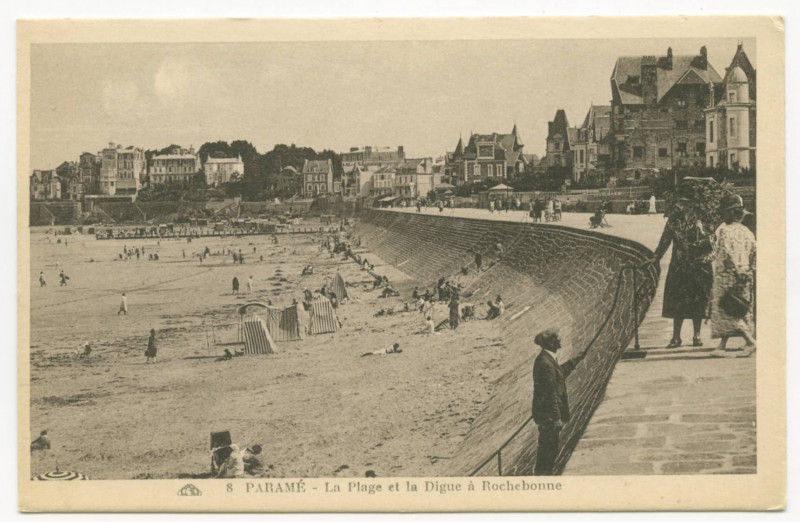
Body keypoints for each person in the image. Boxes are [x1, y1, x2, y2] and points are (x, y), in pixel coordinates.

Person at [643, 189, 713, 348]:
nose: (679, 205)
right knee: (677, 301)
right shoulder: (674, 220)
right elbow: (665, 239)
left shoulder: (703, 218)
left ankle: (696, 335)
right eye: (680, 202)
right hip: (679, 266)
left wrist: (702, 231)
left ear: (691, 203)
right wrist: (656, 257)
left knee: (697, 300)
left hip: (699, 266)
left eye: (683, 202)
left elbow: (711, 244)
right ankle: (676, 337)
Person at [531, 329, 587, 476]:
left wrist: (576, 360)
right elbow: (550, 393)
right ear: (551, 343)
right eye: (557, 339)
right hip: (549, 416)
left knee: (549, 447)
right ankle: (543, 476)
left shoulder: (547, 359)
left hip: (546, 415)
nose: (560, 341)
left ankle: (544, 473)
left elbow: (559, 374)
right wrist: (556, 418)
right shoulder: (545, 363)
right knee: (548, 449)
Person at [709, 195, 757, 358]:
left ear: (729, 213)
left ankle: (750, 342)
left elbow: (726, 254)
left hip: (727, 277)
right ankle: (722, 346)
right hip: (745, 277)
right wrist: (748, 271)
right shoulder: (747, 231)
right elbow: (754, 253)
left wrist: (735, 271)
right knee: (739, 309)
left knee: (727, 310)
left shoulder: (725, 231)